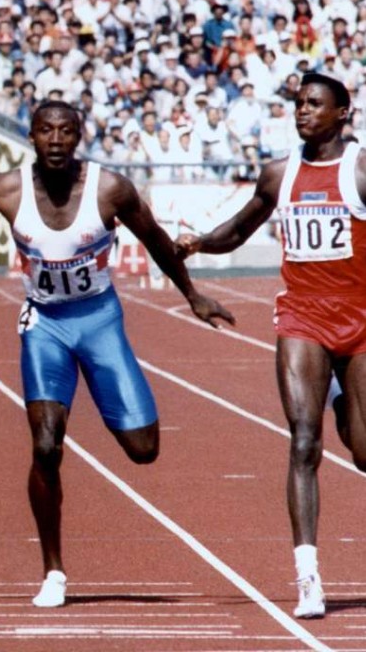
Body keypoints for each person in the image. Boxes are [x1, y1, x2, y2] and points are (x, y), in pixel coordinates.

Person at [0, 101, 234, 608]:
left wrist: (192, 295)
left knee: (144, 449)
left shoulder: (109, 188)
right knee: (44, 446)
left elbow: (156, 240)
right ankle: (54, 572)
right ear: (31, 137)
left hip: (99, 320)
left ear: (79, 136)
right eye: (45, 130)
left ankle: (112, 404)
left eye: (66, 131)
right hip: (45, 326)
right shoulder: (6, 189)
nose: (56, 140)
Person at [175, 73, 366, 620]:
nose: (303, 112)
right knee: (303, 442)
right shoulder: (281, 173)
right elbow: (240, 228)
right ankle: (308, 576)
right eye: (299, 103)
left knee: (363, 450)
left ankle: (342, 400)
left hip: (360, 321)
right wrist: (199, 244)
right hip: (302, 319)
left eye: (315, 104)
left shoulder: (359, 170)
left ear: (342, 113)